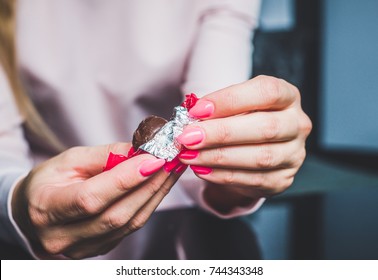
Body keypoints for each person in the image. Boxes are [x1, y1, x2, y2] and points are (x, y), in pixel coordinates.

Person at [0, 0, 312, 259]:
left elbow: (208, 125)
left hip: (175, 231)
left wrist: (236, 166)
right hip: (41, 215)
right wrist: (14, 203)